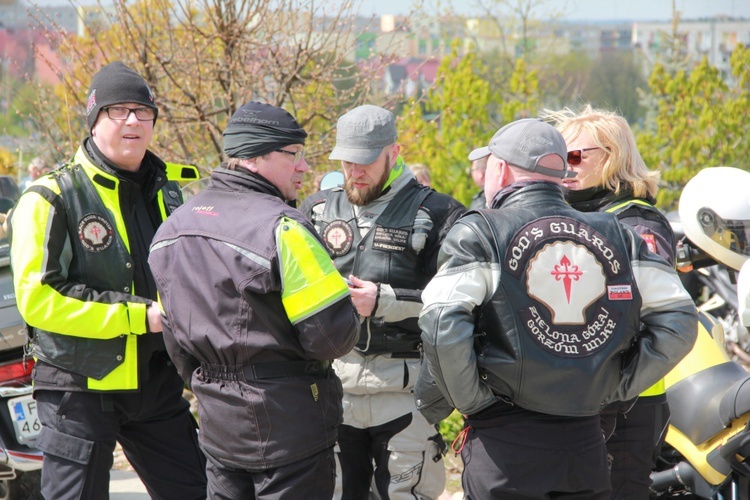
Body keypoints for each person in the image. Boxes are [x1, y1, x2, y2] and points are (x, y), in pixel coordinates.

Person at [415, 118, 698, 499]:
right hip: (587, 439)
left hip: (506, 442)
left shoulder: (480, 231)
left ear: (498, 169)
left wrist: (471, 401)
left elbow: (439, 325)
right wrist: (614, 386)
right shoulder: (617, 234)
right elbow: (679, 319)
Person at [9, 61, 207, 499]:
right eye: (118, 110)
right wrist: (141, 316)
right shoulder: (50, 197)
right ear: (95, 120)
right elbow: (39, 300)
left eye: (143, 110)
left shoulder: (171, 190)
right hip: (78, 388)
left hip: (156, 382)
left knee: (201, 492)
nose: (133, 120)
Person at [148, 101, 360, 499]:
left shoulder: (170, 231)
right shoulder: (285, 228)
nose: (303, 167)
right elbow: (332, 338)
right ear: (256, 157)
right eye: (294, 155)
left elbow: (174, 338)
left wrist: (214, 383)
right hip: (291, 430)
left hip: (218, 427)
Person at [299, 104, 466, 499]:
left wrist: (386, 301)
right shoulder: (317, 209)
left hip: (405, 395)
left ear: (394, 152)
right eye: (346, 161)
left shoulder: (439, 212)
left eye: (366, 161)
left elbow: (460, 302)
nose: (355, 171)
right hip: (334, 389)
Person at [546, 104, 677, 499]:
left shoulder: (638, 223)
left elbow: (640, 306)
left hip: (627, 398)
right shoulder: (561, 215)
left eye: (575, 156)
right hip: (569, 392)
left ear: (613, 157)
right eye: (557, 156)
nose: (565, 166)